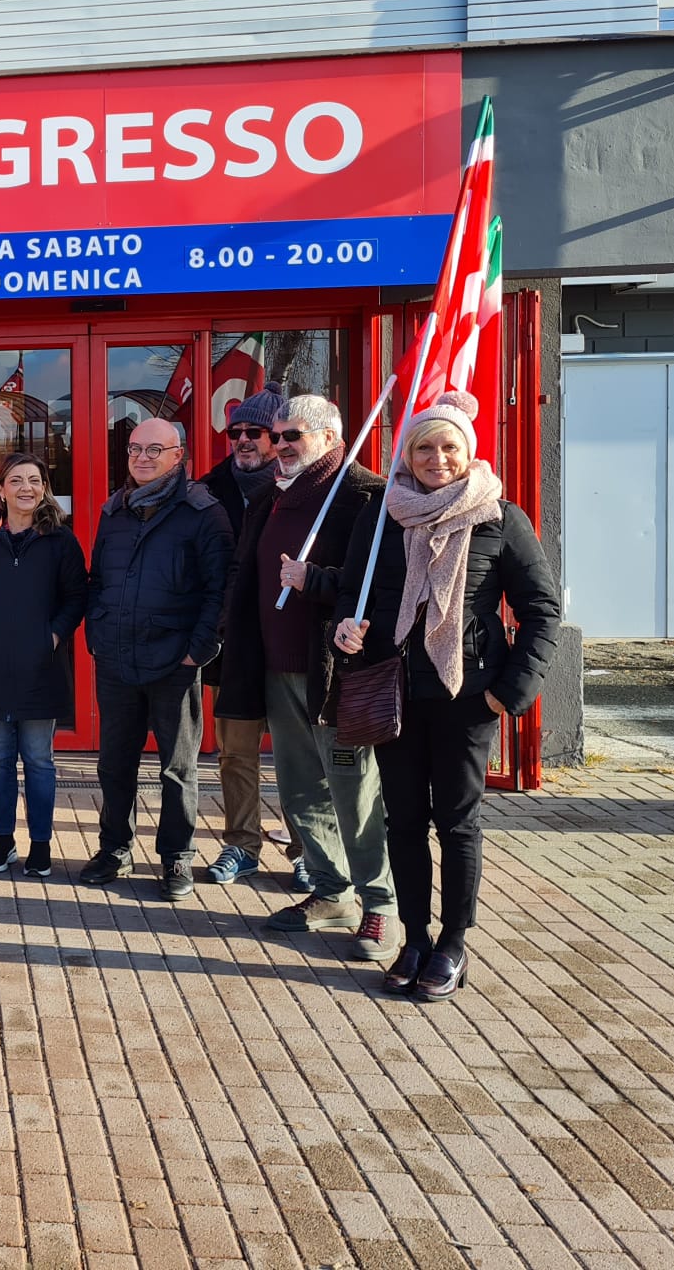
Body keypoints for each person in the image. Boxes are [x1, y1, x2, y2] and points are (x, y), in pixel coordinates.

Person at [334, 391, 560, 1001]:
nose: (437, 458)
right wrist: (347, 632)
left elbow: (543, 612)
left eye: (449, 447)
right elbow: (351, 595)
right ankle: (414, 938)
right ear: (406, 454)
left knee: (457, 822)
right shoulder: (381, 514)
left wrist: (507, 694)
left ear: (468, 452)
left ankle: (455, 943)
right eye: (424, 447)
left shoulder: (499, 517)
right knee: (402, 820)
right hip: (394, 692)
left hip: (467, 697)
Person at [219, 396, 397, 961]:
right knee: (299, 789)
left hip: (335, 674)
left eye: (292, 434)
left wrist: (313, 579)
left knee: (353, 790)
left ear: (330, 436)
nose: (280, 444)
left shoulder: (365, 494)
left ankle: (381, 903)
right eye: (276, 436)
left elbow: (377, 581)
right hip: (276, 670)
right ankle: (331, 890)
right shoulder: (271, 497)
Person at [80, 417, 233, 900]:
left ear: (178, 455)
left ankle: (176, 857)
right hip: (117, 657)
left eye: (154, 449)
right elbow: (98, 577)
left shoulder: (203, 512)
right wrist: (98, 630)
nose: (142, 458)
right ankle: (114, 848)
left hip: (175, 662)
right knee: (114, 763)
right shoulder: (115, 510)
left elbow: (220, 590)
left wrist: (198, 650)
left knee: (177, 768)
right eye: (134, 449)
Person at [0, 452, 88, 880]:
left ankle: (41, 844)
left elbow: (76, 599)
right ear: (0, 490)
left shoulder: (61, 540)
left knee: (38, 759)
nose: (26, 488)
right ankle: (3, 839)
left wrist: (51, 636)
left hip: (40, 668)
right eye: (16, 480)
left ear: (45, 487)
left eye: (35, 480)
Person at [198, 381, 306, 889]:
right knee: (235, 752)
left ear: (279, 437)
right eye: (235, 430)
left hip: (290, 642)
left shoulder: (308, 490)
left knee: (297, 754)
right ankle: (242, 845)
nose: (243, 439)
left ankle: (308, 849)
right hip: (231, 646)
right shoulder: (204, 489)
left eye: (255, 431)